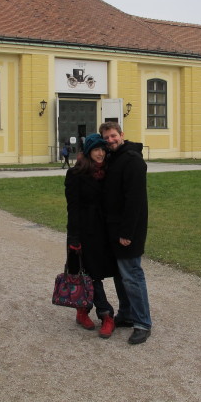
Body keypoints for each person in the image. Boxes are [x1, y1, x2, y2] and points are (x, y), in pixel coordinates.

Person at [99, 121, 152, 345]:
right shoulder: (115, 158)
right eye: (106, 138)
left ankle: (142, 323)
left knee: (132, 275)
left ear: (121, 134)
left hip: (128, 229)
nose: (110, 140)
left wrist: (127, 232)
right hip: (115, 227)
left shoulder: (132, 160)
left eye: (113, 136)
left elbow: (135, 201)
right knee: (121, 275)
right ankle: (127, 314)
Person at [64, 133, 118, 338]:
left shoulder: (107, 172)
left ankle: (82, 310)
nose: (101, 153)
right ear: (88, 151)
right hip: (84, 231)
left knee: (92, 273)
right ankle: (106, 314)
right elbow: (73, 208)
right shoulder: (76, 174)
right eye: (97, 149)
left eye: (103, 150)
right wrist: (74, 238)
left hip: (103, 231)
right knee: (89, 274)